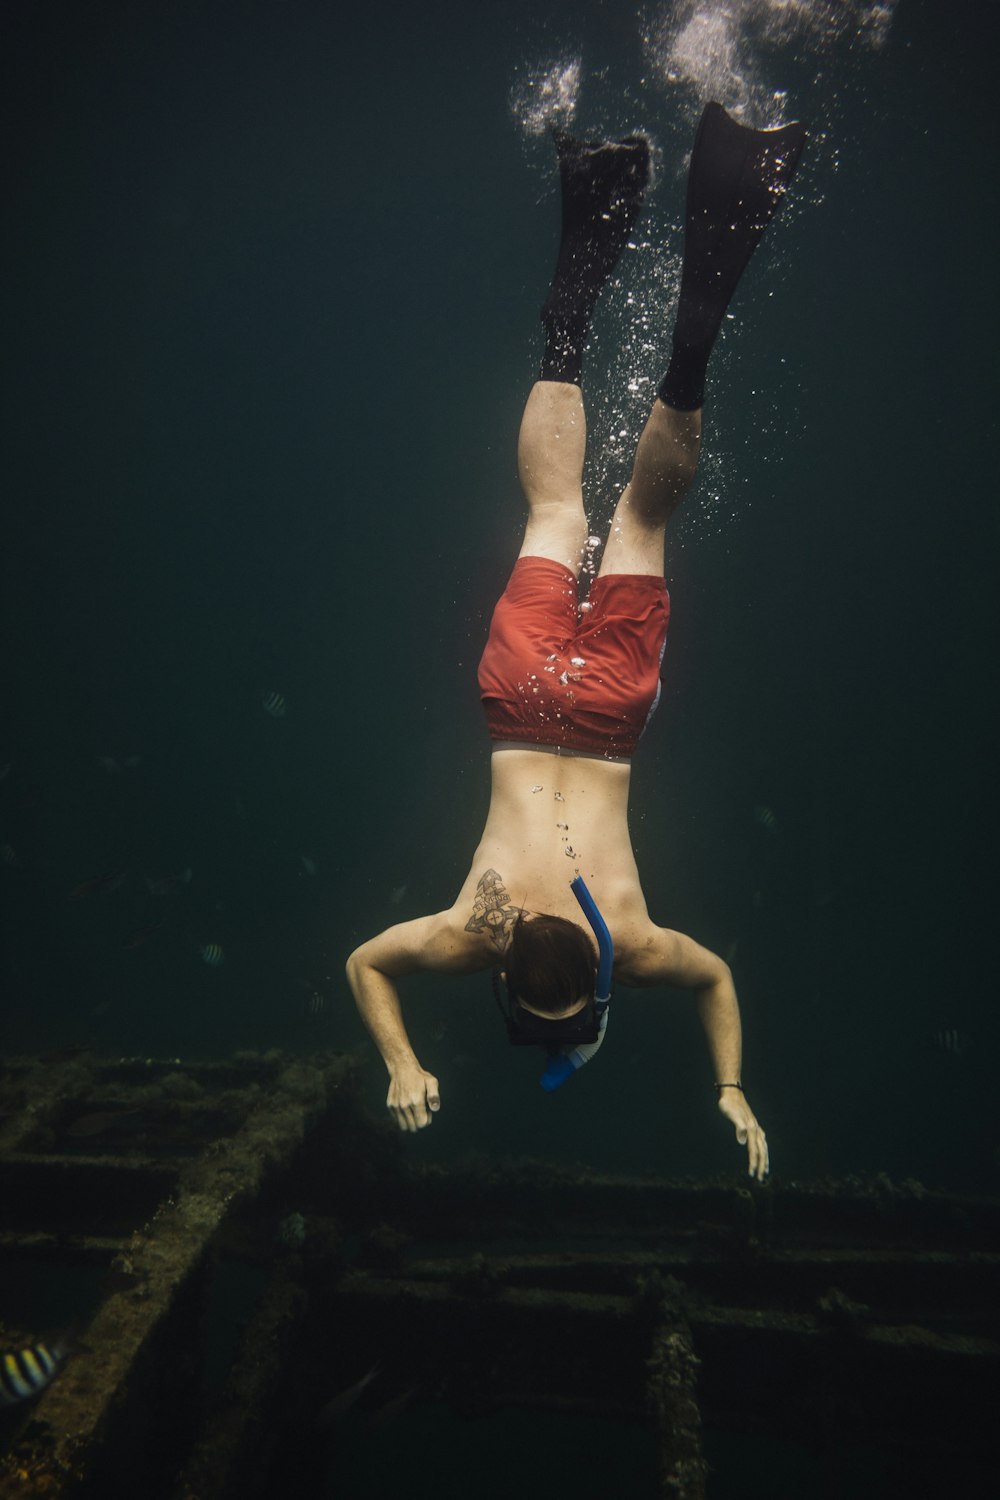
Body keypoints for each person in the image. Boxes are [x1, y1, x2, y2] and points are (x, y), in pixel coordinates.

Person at [346, 102, 806, 1182]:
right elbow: (367, 964)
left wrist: (730, 1087)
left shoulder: (628, 948)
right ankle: (573, 307)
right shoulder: (473, 930)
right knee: (559, 514)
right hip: (517, 696)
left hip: (605, 720)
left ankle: (688, 357)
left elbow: (717, 980)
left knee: (638, 522)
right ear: (509, 973)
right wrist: (396, 1058)